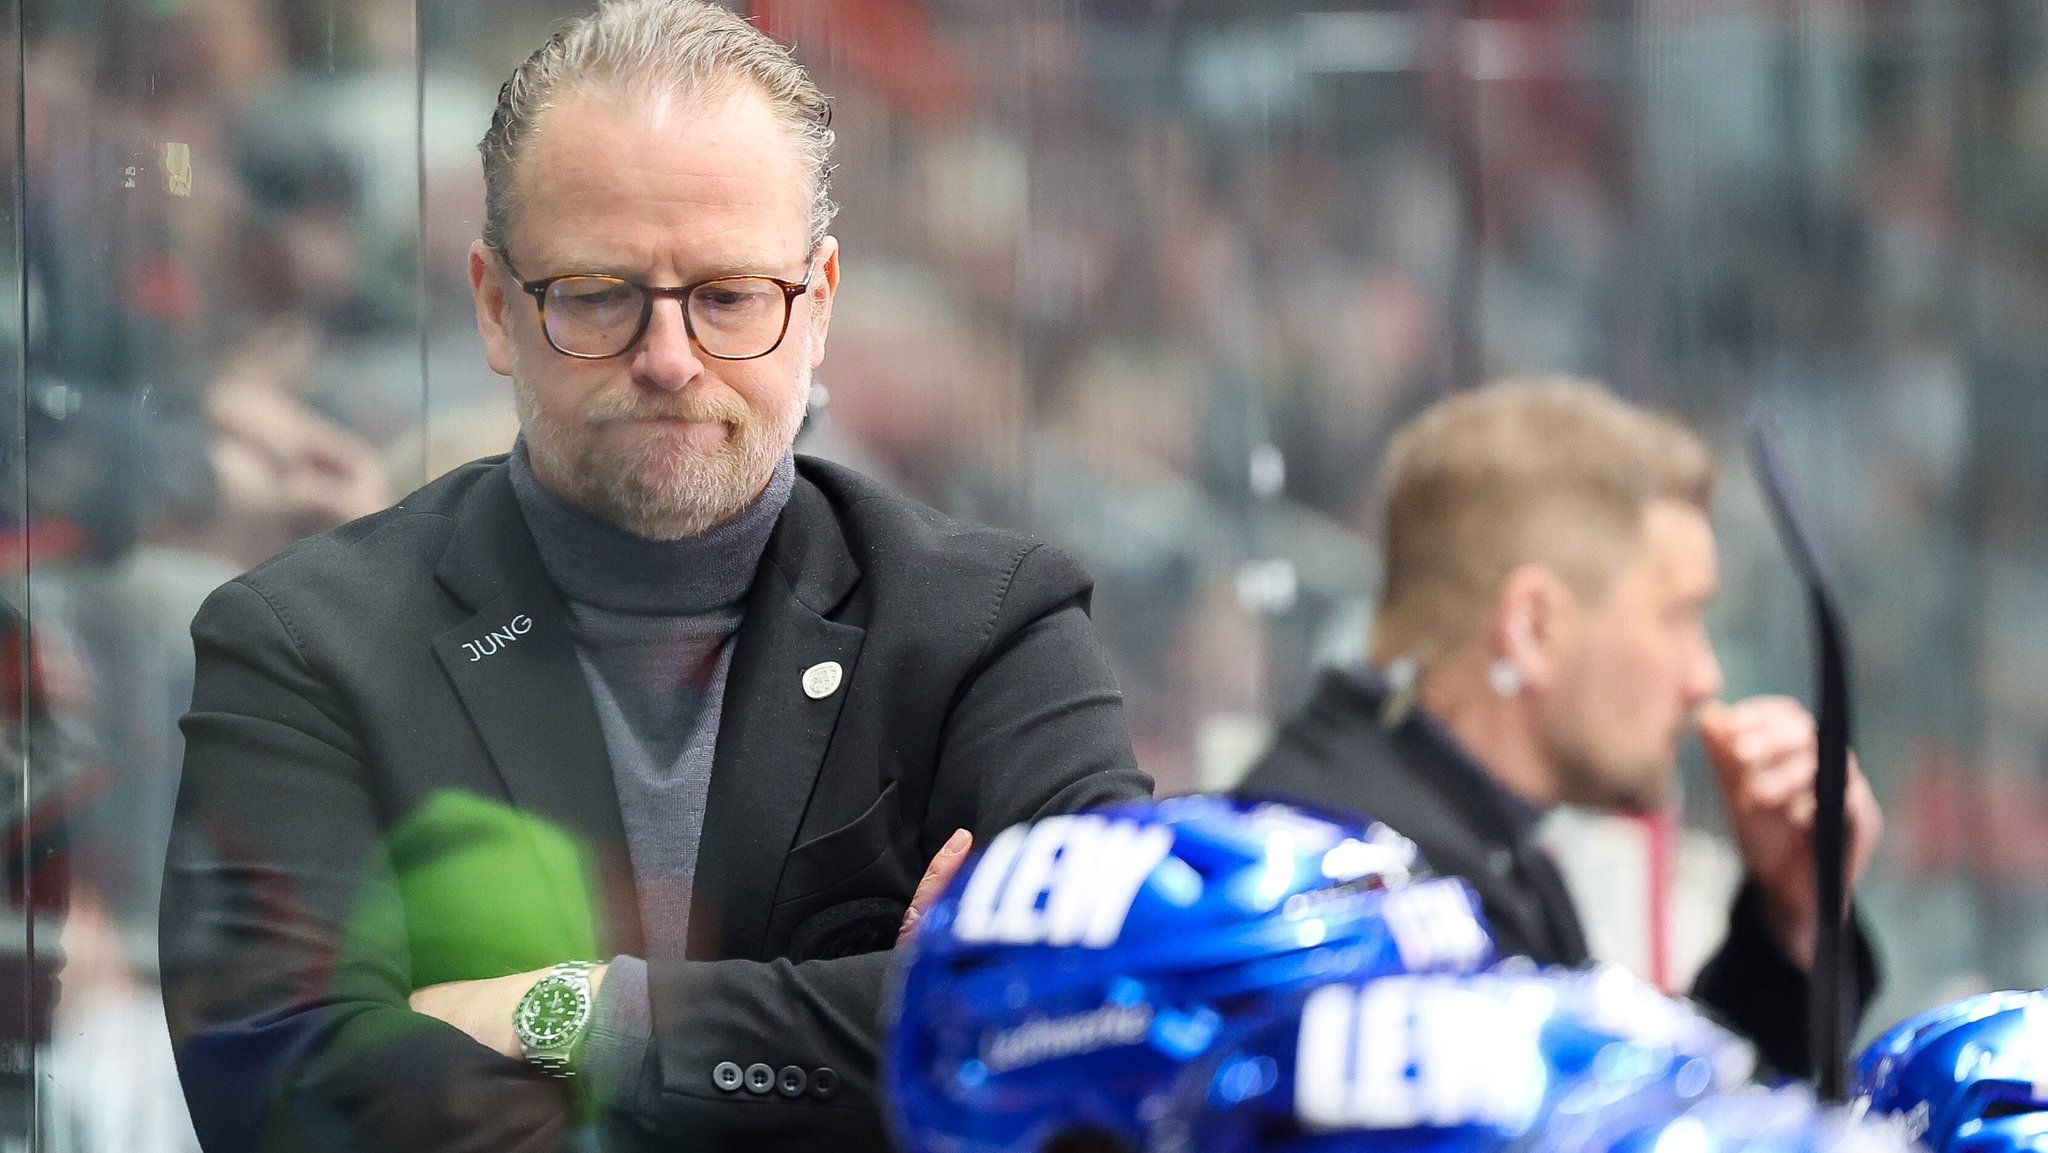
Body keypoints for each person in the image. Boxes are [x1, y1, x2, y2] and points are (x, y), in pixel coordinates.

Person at [157, 3, 1150, 1150]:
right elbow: (292, 1096)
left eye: (727, 295)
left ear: (817, 303)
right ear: (493, 304)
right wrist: (907, 1011)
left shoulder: (987, 630)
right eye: (598, 293)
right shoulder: (300, 645)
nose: (669, 357)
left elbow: (1104, 1010)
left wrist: (588, 1014)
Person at [1241, 377, 1883, 1078]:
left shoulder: (1458, 842)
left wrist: (1791, 917)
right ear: (1532, 627)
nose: (1705, 677)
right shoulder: (1371, 899)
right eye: (1679, 616)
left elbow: (1631, 1107)